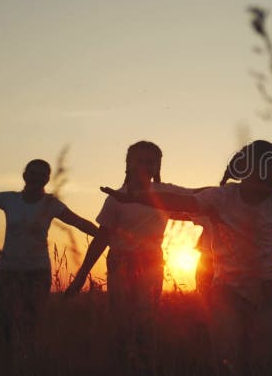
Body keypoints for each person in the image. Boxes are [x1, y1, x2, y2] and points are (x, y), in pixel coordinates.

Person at [100, 140, 272, 375]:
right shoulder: (222, 197)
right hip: (225, 289)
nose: (267, 188)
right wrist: (135, 198)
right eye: (262, 180)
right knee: (227, 353)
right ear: (245, 171)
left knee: (263, 355)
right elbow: (180, 201)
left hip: (266, 288)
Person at [64, 140, 200, 373]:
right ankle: (123, 364)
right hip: (121, 261)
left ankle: (146, 365)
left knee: (147, 320)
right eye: (139, 160)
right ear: (128, 164)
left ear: (158, 166)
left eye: (151, 161)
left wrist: (228, 191)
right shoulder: (116, 198)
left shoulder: (167, 193)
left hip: (152, 262)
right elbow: (102, 239)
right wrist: (81, 276)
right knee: (122, 321)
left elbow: (199, 199)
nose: (145, 165)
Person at [0, 159, 99, 369]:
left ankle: (29, 366)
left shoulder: (51, 205)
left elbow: (79, 223)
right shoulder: (8, 199)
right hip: (8, 271)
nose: (37, 177)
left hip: (37, 273)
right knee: (4, 324)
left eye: (42, 174)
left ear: (47, 179)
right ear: (24, 175)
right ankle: (6, 366)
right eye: (32, 173)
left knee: (31, 325)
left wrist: (107, 236)